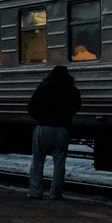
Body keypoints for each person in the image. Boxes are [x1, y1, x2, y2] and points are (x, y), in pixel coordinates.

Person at [27, 65, 81, 199]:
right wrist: (66, 116)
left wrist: (40, 118)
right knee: (59, 163)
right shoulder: (71, 89)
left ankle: (35, 192)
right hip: (62, 129)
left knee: (38, 161)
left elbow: (31, 107)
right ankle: (56, 193)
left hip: (43, 128)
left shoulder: (43, 88)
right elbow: (77, 106)